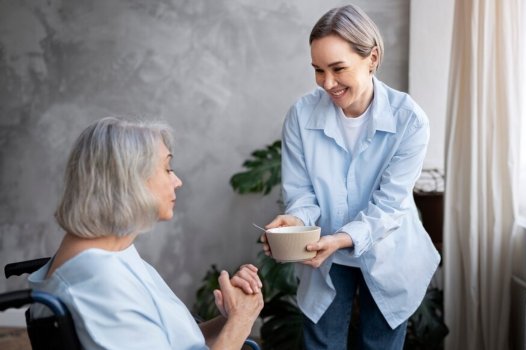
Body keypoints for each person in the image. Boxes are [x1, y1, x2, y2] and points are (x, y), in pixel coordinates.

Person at [261, 4, 441, 349]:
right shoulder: (301, 115)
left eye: (338, 68)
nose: (327, 83)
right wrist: (294, 220)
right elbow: (302, 192)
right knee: (322, 343)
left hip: (390, 250)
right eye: (317, 70)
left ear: (372, 58)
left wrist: (342, 238)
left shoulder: (409, 121)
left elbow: (389, 207)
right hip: (324, 255)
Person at [29, 117, 263, 350]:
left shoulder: (114, 254)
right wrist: (240, 322)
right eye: (167, 168)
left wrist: (233, 315)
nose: (177, 181)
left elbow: (173, 341)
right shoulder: (99, 281)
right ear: (129, 179)